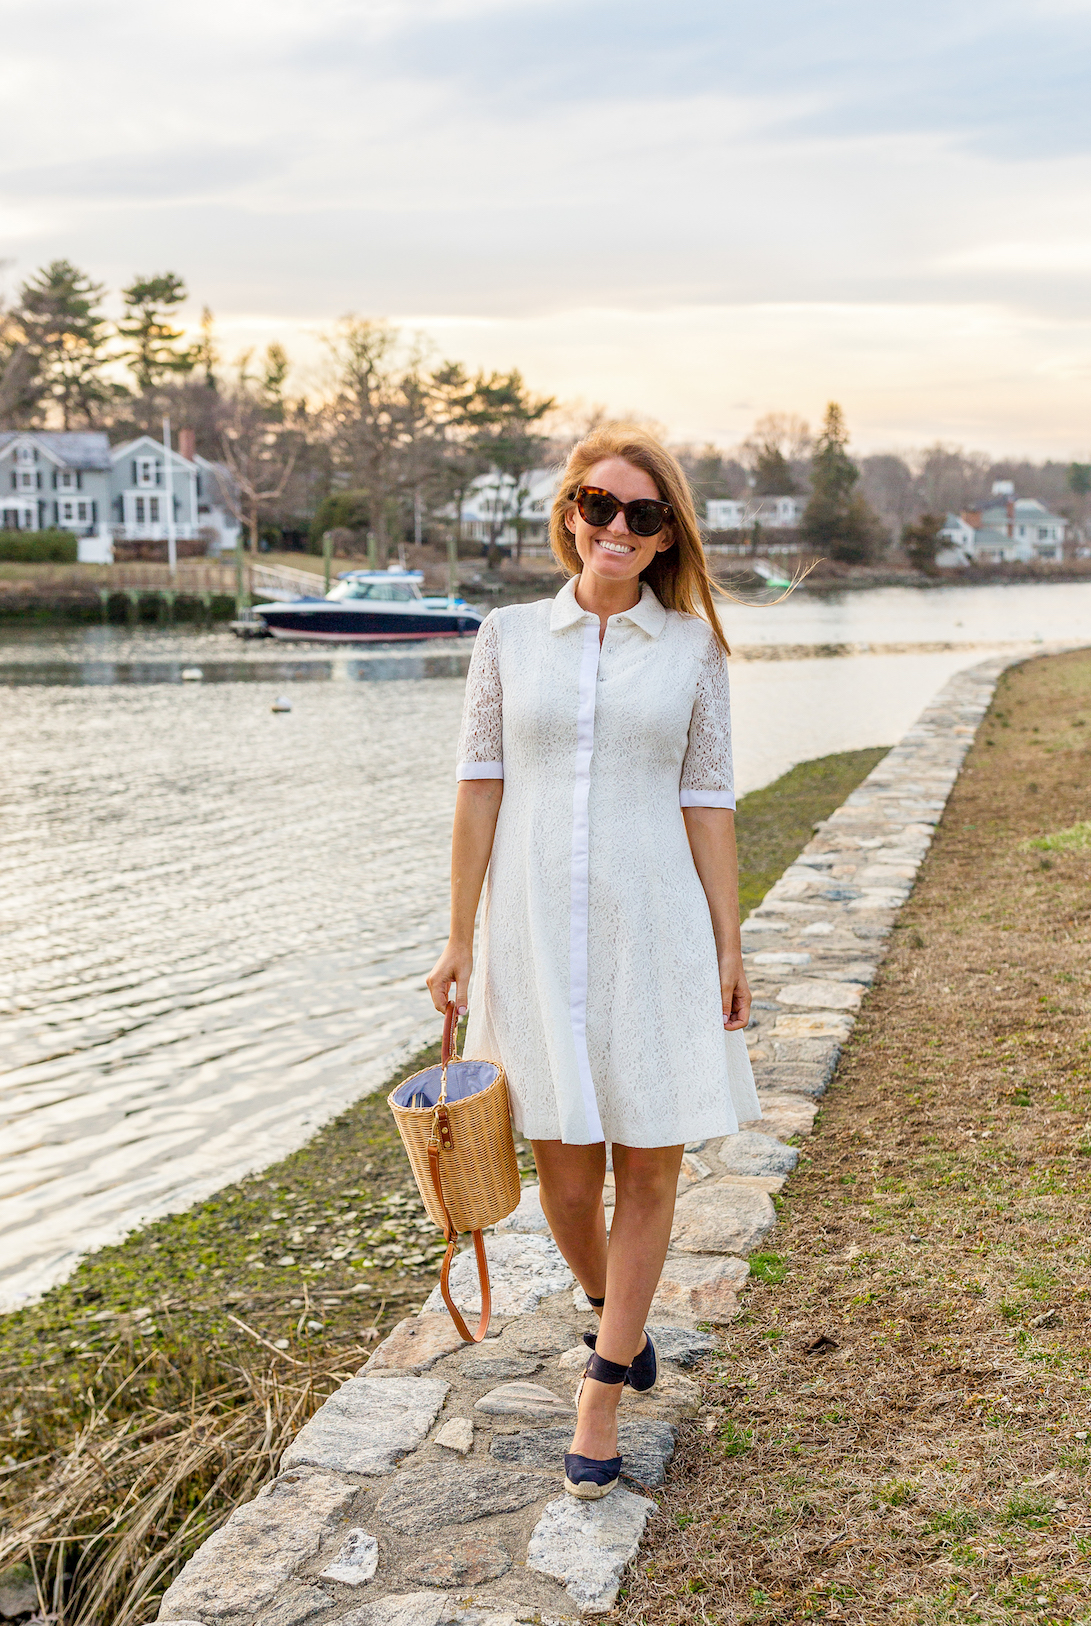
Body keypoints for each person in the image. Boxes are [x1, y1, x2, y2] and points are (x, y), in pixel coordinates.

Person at [427, 422, 758, 1499]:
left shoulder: (694, 651)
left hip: (655, 929)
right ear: (571, 513)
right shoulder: (507, 638)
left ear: (666, 537)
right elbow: (480, 789)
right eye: (599, 504)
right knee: (566, 1184)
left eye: (642, 514)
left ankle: (602, 1389)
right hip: (532, 934)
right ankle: (618, 1314)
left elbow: (708, 804)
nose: (616, 526)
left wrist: (730, 941)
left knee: (648, 1167)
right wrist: (459, 937)